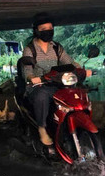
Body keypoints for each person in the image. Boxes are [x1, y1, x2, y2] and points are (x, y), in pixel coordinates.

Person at [18, 13, 81, 147]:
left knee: (75, 92)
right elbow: (27, 72)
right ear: (36, 31)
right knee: (42, 95)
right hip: (38, 85)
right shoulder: (30, 49)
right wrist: (32, 78)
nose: (48, 32)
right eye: (44, 29)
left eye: (50, 29)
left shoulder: (56, 47)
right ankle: (42, 128)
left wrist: (81, 69)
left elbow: (69, 62)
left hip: (57, 83)